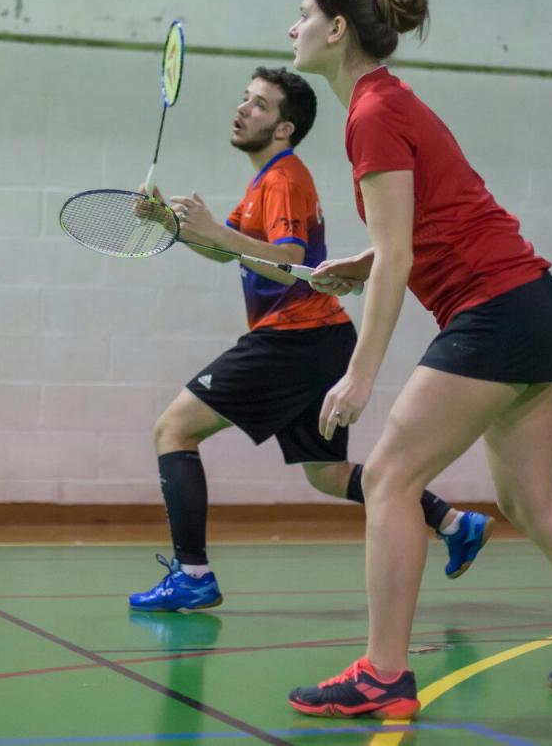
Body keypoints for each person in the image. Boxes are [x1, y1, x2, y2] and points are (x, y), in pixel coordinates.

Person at [283, 0, 552, 717]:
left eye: (300, 16)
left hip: (496, 311)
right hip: (531, 305)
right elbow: (423, 222)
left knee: (388, 477)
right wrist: (361, 263)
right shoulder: (387, 103)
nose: (290, 29)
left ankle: (383, 674)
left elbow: (401, 257)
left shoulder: (372, 113)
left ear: (336, 31)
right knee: (531, 498)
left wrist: (361, 373)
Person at [128, 66, 494, 613]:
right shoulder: (264, 181)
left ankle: (193, 574)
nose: (242, 109)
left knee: (173, 429)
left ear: (283, 127)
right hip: (316, 339)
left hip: (296, 337)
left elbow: (291, 262)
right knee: (327, 475)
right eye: (243, 99)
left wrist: (211, 228)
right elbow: (230, 249)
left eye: (258, 105)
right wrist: (170, 224)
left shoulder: (284, 178)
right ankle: (453, 521)